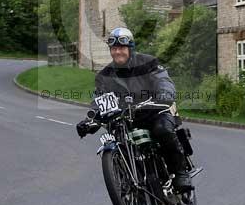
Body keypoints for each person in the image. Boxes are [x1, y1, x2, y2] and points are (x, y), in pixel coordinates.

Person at [77, 27, 193, 191]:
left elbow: (163, 81)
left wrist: (164, 95)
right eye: (114, 49)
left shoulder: (148, 63)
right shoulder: (104, 76)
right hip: (126, 118)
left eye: (122, 48)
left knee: (163, 130)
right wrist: (90, 120)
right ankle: (129, 182)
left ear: (130, 48)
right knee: (119, 140)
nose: (118, 52)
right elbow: (100, 99)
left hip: (154, 111)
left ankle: (180, 173)